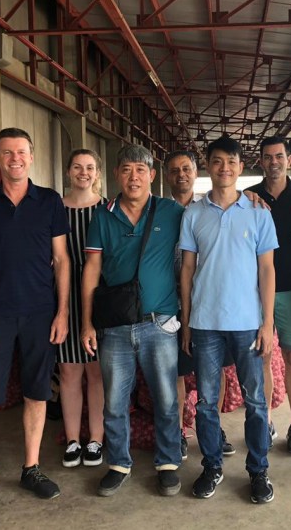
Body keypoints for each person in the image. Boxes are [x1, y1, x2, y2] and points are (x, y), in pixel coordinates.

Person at [0, 128, 71, 528]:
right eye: (7, 152)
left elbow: (62, 260)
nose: (15, 158)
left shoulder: (50, 201)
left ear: (31, 157)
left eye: (21, 151)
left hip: (40, 313)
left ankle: (31, 468)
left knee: (37, 394)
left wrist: (62, 312)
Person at [80, 144, 184, 498]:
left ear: (152, 175)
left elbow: (206, 223)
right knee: (114, 401)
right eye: (126, 170)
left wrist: (249, 198)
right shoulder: (103, 215)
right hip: (115, 326)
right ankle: (119, 463)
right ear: (116, 175)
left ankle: (168, 462)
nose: (133, 177)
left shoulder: (170, 211)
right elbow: (92, 268)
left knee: (166, 398)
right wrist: (87, 323)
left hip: (160, 323)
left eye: (140, 170)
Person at [180, 135, 277, 504]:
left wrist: (266, 323)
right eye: (217, 161)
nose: (224, 168)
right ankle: (212, 466)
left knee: (256, 401)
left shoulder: (258, 212)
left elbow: (266, 270)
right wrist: (187, 321)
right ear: (208, 165)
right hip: (205, 323)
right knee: (206, 402)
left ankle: (259, 470)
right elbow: (187, 270)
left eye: (231, 162)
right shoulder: (194, 213)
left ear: (241, 167)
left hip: (247, 323)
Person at [164, 150, 235, 461]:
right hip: (170, 304)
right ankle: (180, 431)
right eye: (174, 170)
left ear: (196, 172)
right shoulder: (159, 211)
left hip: (209, 302)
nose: (181, 174)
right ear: (166, 175)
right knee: (177, 372)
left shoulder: (211, 207)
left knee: (216, 370)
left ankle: (214, 429)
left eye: (186, 168)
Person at [246, 136, 291, 454]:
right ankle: (267, 421)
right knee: (263, 357)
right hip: (256, 292)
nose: (274, 162)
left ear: (288, 159)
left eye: (279, 156)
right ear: (260, 161)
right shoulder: (249, 197)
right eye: (268, 157)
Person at [59, 149, 106, 469]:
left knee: (96, 370)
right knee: (68, 370)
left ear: (97, 173)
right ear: (68, 171)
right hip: (63, 294)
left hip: (100, 295)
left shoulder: (108, 208)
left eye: (90, 167)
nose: (83, 172)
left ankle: (96, 439)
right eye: (77, 167)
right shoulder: (55, 208)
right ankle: (72, 438)